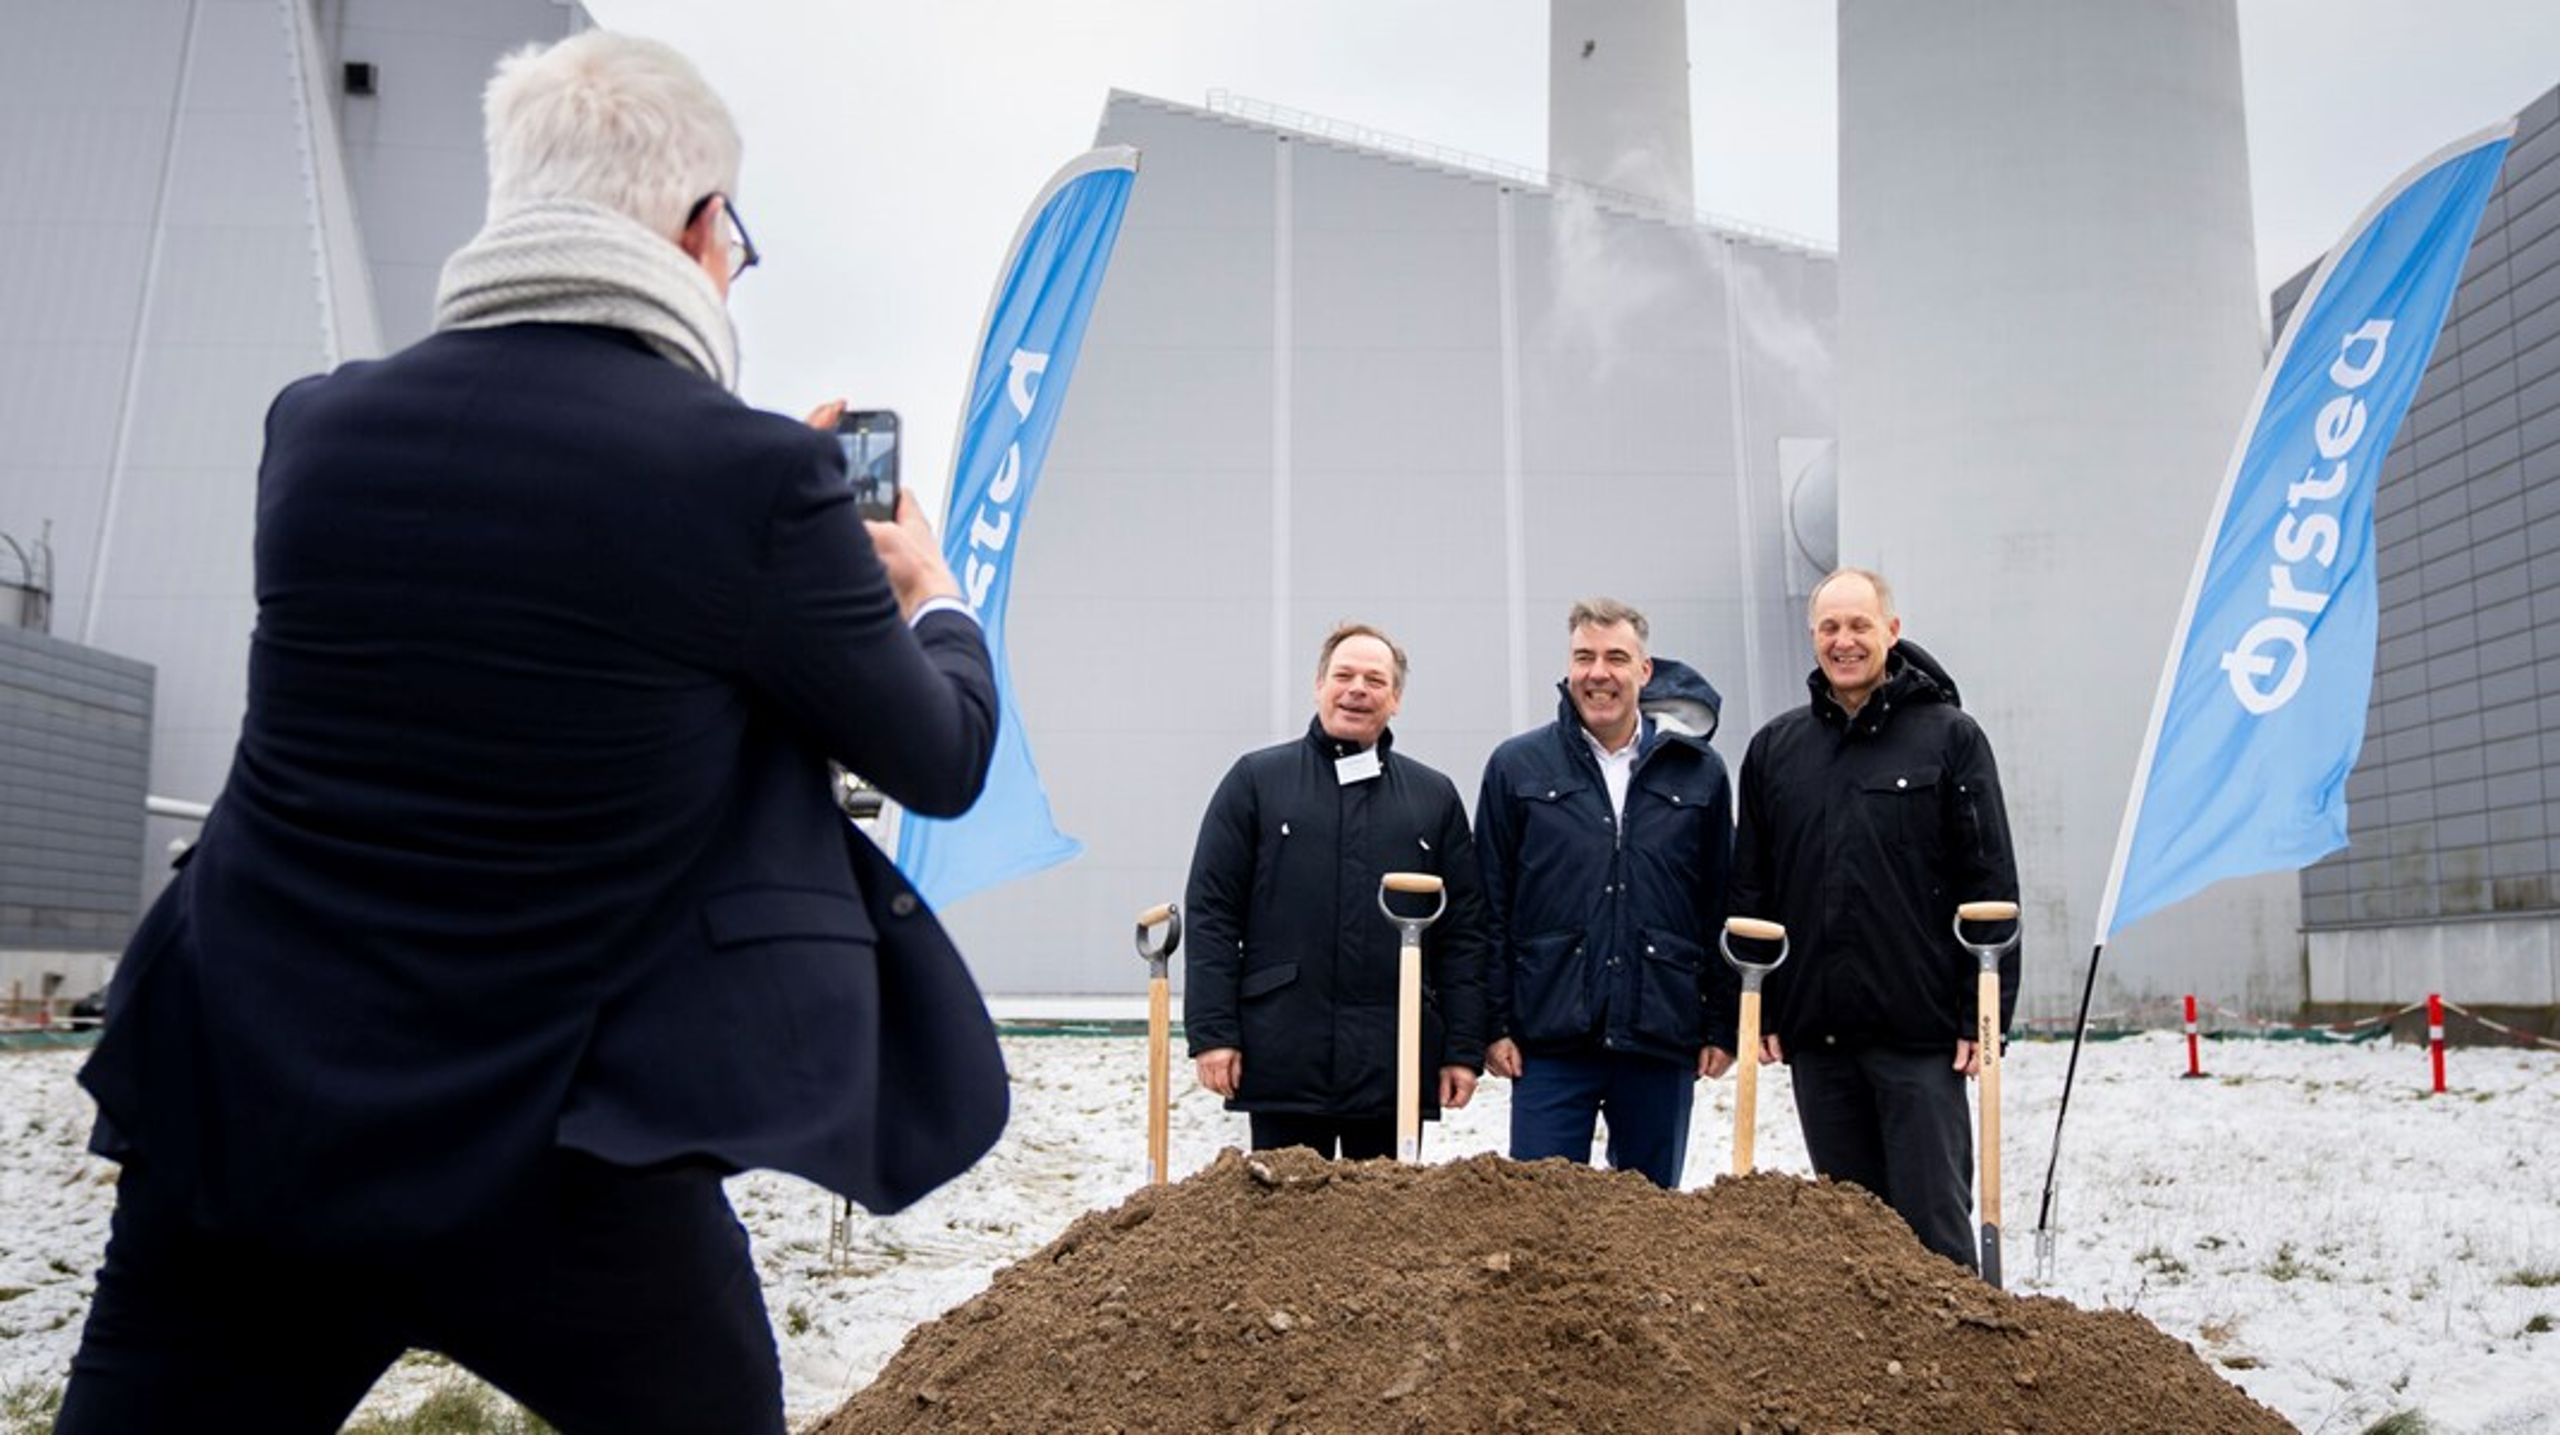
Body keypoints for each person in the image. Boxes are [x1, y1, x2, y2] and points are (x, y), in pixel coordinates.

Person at [60, 33, 1000, 1434]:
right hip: (562, 1153)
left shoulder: (317, 432)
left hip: (254, 1113)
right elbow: (939, 757)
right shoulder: (747, 481)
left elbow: (521, 620)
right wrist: (928, 595)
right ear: (698, 228)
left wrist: (767, 505)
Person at [1729, 566, 2021, 1273]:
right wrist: (1761, 1001)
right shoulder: (1777, 750)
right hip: (1818, 1040)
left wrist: (1985, 1015)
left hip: (1920, 1039)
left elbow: (1991, 884)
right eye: (1829, 627)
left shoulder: (1950, 739)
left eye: (1859, 624)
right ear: (1813, 638)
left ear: (1892, 630)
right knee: (1850, 1244)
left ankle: (1956, 1373)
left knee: (1932, 1237)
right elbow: (1752, 889)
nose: (1844, 640)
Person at [1184, 623, 1488, 1159]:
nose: (1357, 689)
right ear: (1319, 685)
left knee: (1384, 1228)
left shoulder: (1432, 798)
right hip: (1284, 1056)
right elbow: (1212, 913)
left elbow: (1463, 932)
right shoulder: (1257, 782)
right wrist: (1213, 1034)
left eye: (1375, 680)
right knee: (1287, 1225)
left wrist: (1462, 1049)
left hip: (1394, 1063)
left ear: (1395, 700)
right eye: (1343, 675)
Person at [1476, 599, 1735, 1189]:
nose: (1599, 673)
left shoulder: (1699, 773)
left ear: (1645, 671)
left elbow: (1719, 899)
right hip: (1549, 1036)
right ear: (1569, 668)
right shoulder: (1516, 767)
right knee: (1540, 1215)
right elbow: (1489, 903)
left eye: (1616, 658)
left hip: (1660, 1030)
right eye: (1585, 657)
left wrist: (1720, 1023)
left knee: (1648, 1215)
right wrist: (1492, 1022)